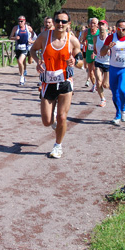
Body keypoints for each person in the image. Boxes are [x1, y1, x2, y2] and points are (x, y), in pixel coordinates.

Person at [30, 10, 82, 159]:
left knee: (62, 117)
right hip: (48, 83)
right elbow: (33, 50)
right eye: (58, 20)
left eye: (63, 21)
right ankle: (54, 122)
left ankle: (58, 146)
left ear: (68, 24)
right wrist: (38, 61)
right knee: (47, 121)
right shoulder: (45, 37)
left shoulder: (72, 41)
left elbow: (80, 61)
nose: (60, 24)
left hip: (65, 82)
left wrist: (75, 62)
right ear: (53, 21)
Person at [9, 16, 36, 86]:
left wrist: (31, 40)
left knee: (20, 61)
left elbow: (33, 34)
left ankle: (21, 77)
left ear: (24, 21)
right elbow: (10, 37)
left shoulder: (28, 28)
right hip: (18, 48)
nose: (20, 22)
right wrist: (15, 38)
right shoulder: (15, 28)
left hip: (25, 48)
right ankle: (23, 75)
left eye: (21, 21)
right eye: (19, 21)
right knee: (20, 63)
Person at [93, 20, 111, 107]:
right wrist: (94, 53)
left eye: (103, 25)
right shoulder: (95, 38)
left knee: (105, 84)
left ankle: (113, 87)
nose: (101, 26)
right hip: (98, 62)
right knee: (99, 82)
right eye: (99, 25)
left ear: (106, 27)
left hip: (108, 63)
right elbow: (94, 49)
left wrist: (110, 51)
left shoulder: (110, 38)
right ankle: (103, 99)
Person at [83, 18, 99, 91]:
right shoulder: (86, 31)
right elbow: (83, 39)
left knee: (95, 69)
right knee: (90, 71)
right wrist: (84, 42)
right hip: (89, 52)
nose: (92, 25)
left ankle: (98, 84)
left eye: (94, 23)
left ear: (97, 25)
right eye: (91, 23)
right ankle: (94, 85)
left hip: (97, 53)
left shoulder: (99, 32)